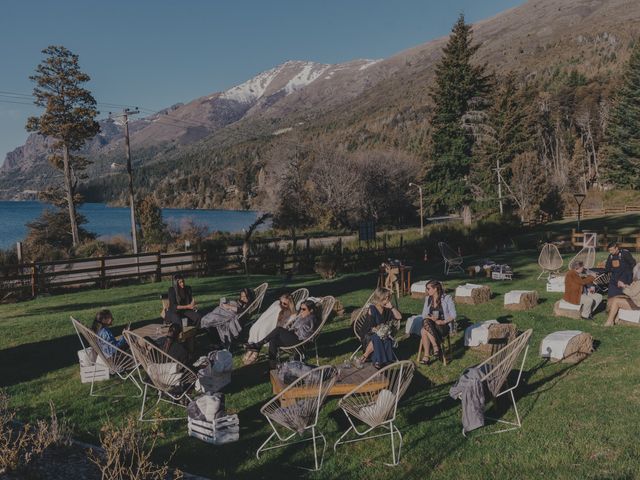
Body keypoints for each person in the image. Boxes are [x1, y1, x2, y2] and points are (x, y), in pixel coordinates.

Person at [244, 299, 318, 369]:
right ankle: (272, 366)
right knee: (273, 340)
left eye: (304, 309)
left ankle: (258, 345)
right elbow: (295, 326)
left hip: (300, 341)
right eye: (301, 309)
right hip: (294, 337)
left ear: (311, 310)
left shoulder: (311, 318)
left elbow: (305, 334)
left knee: (279, 329)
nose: (301, 311)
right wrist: (291, 327)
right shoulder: (303, 316)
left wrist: (293, 329)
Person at [356, 287, 401, 369]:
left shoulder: (387, 309)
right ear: (378, 299)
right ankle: (380, 361)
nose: (387, 301)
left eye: (388, 298)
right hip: (368, 332)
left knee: (381, 337)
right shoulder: (372, 309)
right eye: (384, 299)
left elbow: (399, 317)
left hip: (381, 332)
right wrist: (380, 331)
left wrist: (391, 307)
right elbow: (370, 326)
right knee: (377, 337)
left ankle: (366, 358)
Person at [419, 280, 456, 365]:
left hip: (443, 326)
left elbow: (454, 315)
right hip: (431, 324)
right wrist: (431, 318)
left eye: (428, 288)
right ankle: (435, 347)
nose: (427, 290)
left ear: (435, 289)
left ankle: (427, 355)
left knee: (423, 330)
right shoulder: (428, 299)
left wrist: (443, 321)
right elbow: (424, 314)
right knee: (425, 324)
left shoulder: (447, 298)